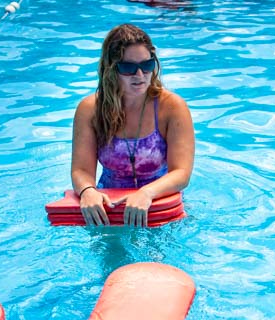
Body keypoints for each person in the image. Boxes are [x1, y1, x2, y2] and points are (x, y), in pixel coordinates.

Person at [71, 23, 195, 227]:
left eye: (147, 65)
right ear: (111, 69)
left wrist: (147, 193)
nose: (140, 75)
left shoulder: (172, 107)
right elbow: (81, 170)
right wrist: (87, 191)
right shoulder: (90, 109)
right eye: (128, 68)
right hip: (108, 208)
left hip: (159, 204)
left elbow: (181, 173)